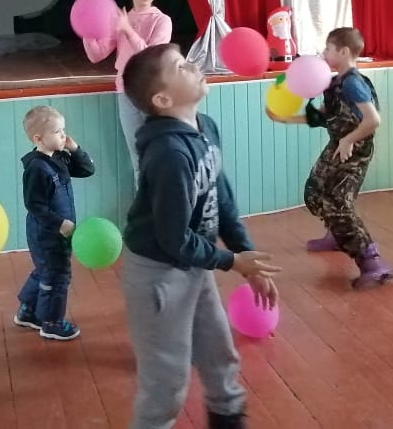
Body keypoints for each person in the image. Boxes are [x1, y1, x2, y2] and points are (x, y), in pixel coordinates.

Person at [120, 43, 280, 429]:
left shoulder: (205, 127)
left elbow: (221, 198)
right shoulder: (169, 155)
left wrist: (249, 259)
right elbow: (173, 239)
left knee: (219, 354)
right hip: (158, 274)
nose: (193, 66)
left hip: (194, 261)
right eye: (180, 66)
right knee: (167, 380)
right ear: (162, 99)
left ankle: (228, 419)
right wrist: (232, 262)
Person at [267, 27, 393, 288]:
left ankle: (371, 261)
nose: (323, 53)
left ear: (344, 52)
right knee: (315, 191)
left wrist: (349, 140)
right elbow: (322, 117)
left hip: (354, 150)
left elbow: (373, 120)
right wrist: (284, 118)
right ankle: (336, 235)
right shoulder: (335, 82)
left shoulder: (353, 83)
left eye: (328, 49)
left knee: (337, 202)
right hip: (338, 144)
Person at [83, 0, 172, 186]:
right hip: (126, 92)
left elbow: (151, 57)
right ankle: (145, 206)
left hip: (152, 92)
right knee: (138, 158)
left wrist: (127, 29)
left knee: (159, 153)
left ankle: (167, 203)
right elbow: (96, 55)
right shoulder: (122, 20)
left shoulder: (162, 20)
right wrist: (87, 32)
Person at [13, 105, 96, 341]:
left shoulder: (60, 157)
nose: (63, 135)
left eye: (63, 130)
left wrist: (75, 148)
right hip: (46, 231)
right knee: (57, 274)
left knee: (45, 270)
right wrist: (59, 223)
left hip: (59, 230)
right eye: (57, 132)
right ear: (38, 138)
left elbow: (88, 169)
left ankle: (28, 311)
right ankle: (51, 322)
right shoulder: (36, 168)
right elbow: (34, 205)